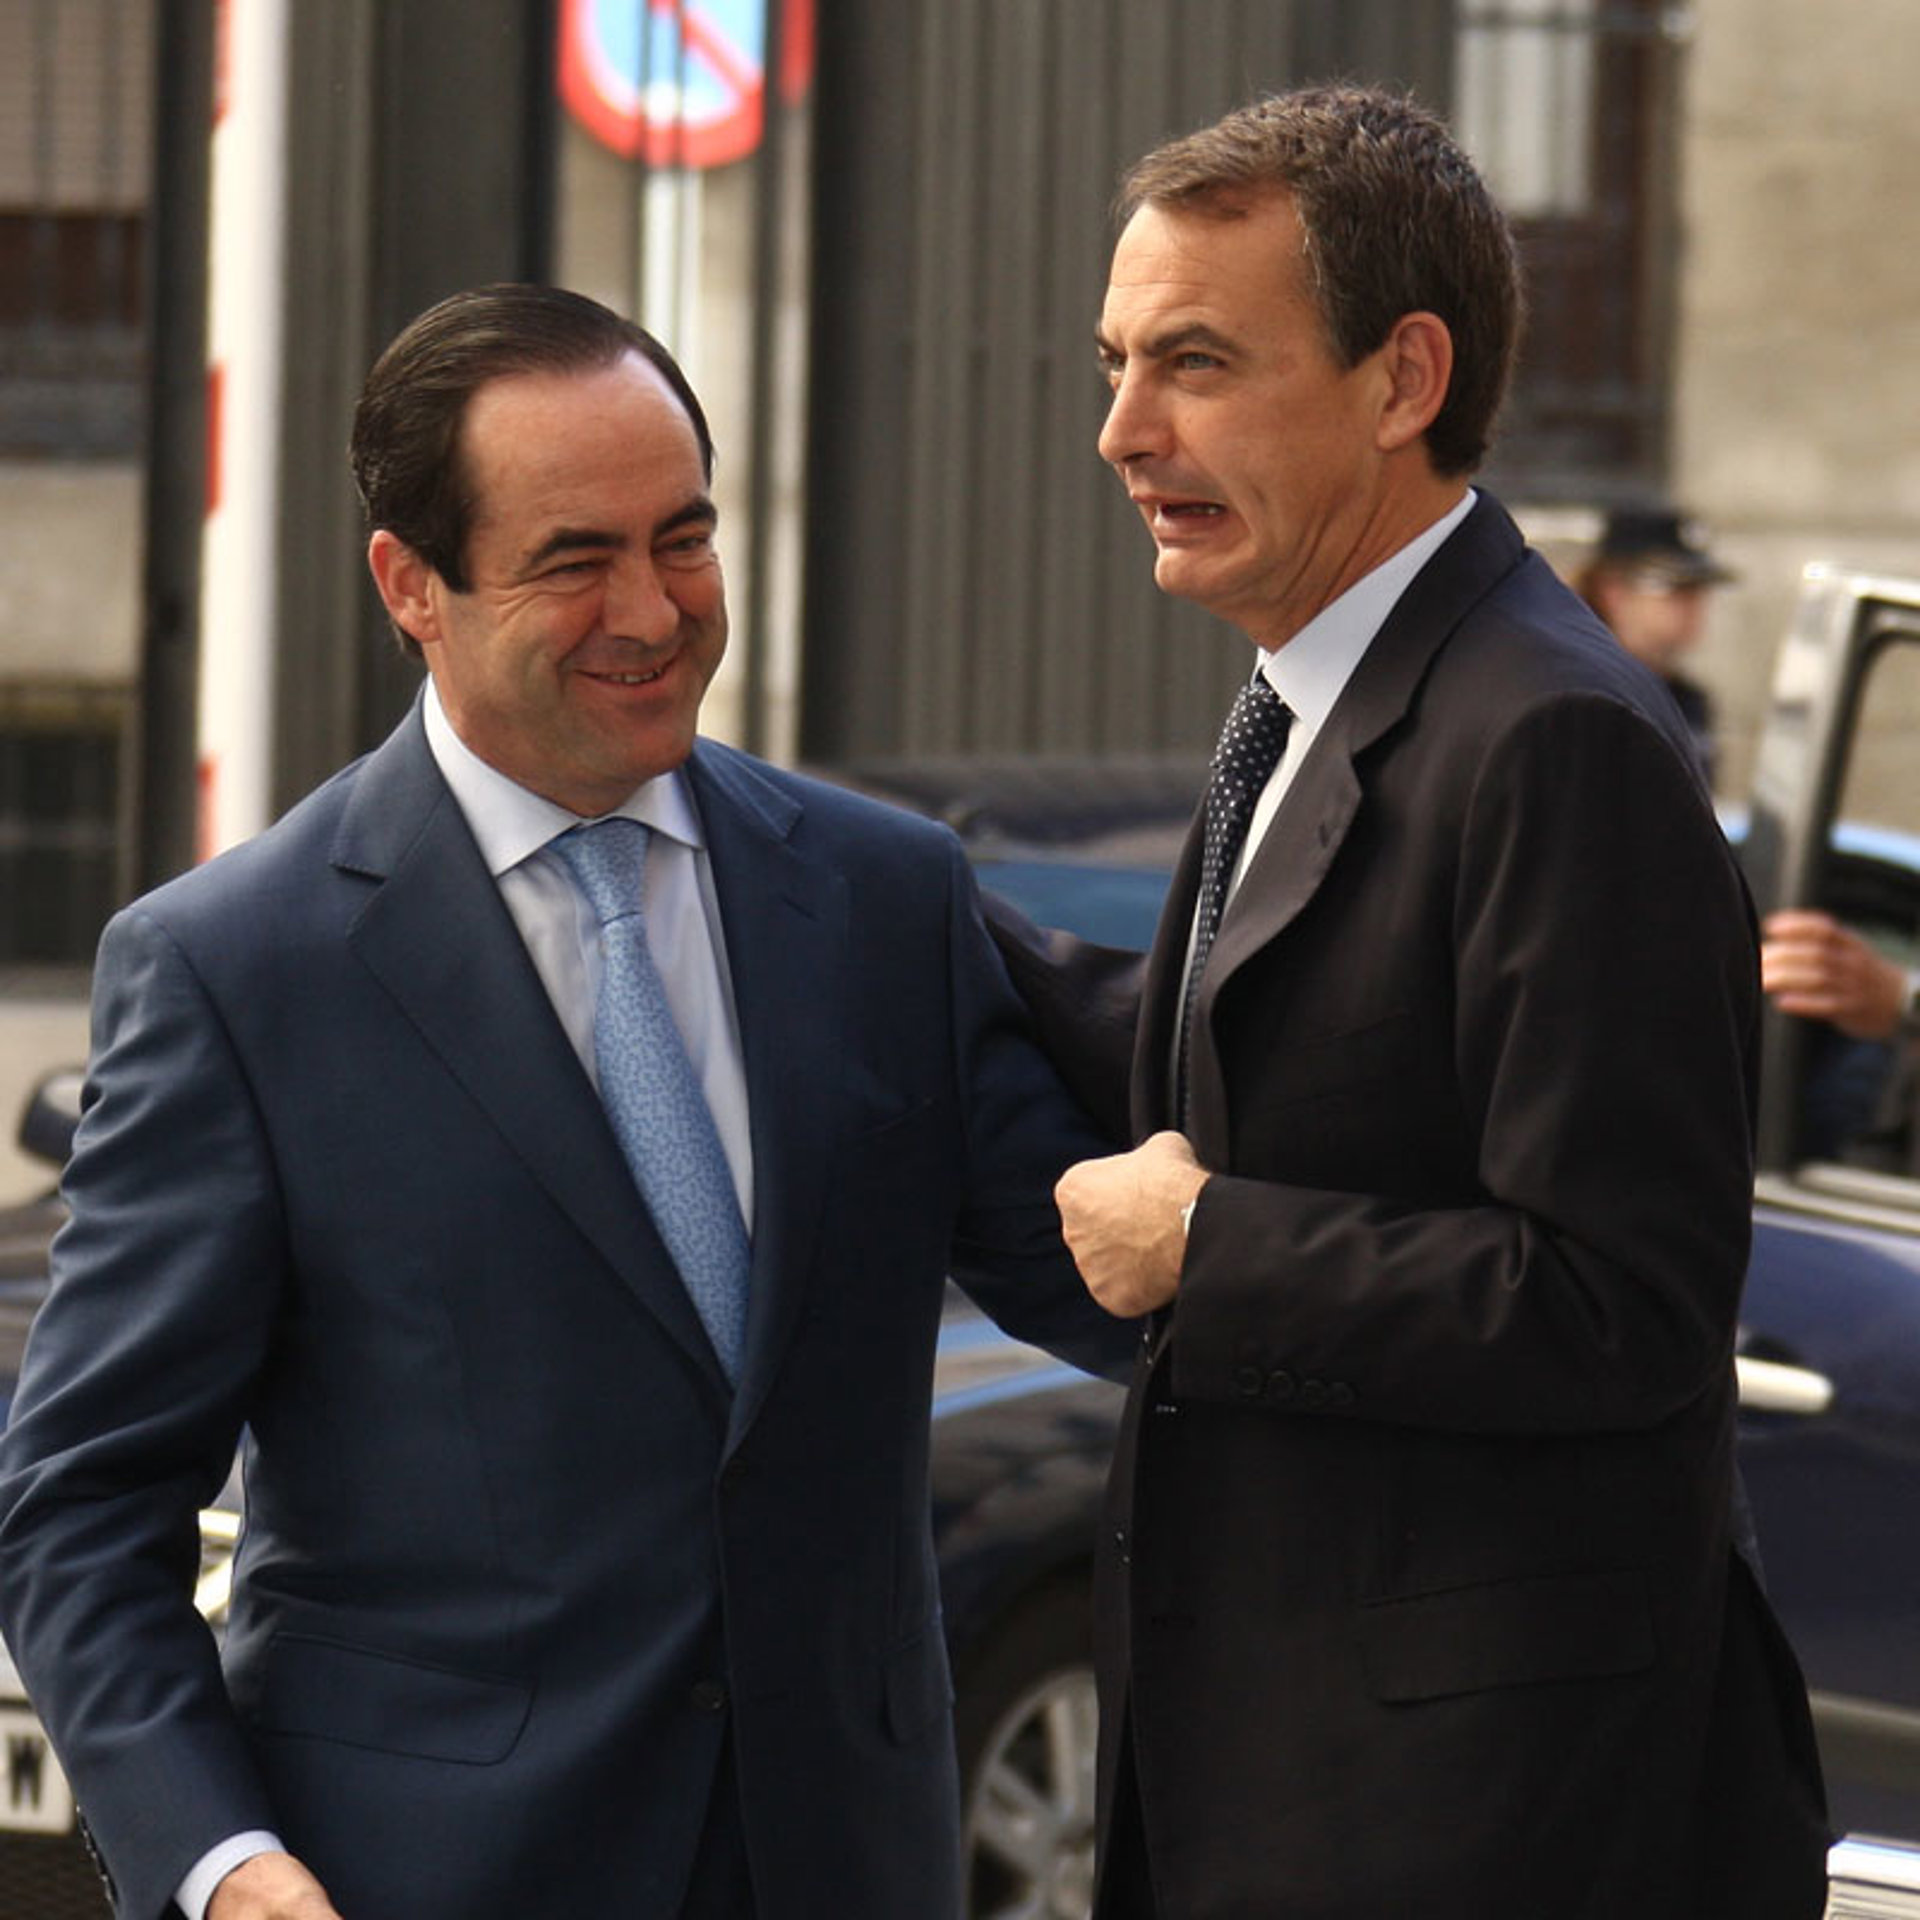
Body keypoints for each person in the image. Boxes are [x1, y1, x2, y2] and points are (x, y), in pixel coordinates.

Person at [0, 285, 1132, 1920]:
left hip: (842, 1866)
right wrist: (227, 1869)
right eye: (575, 558)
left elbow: (1112, 1278)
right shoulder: (238, 972)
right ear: (412, 585)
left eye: (685, 538)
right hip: (422, 1881)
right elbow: (81, 1510)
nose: (653, 610)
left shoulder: (884, 897)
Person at [994, 85, 1829, 1919]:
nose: (1125, 431)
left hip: (1480, 1831)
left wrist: (1210, 1246)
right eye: (1119, 365)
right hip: (1300, 1783)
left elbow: (1624, 1303)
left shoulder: (1553, 739)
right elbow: (1289, 1058)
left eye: (1197, 364)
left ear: (1403, 379)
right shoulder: (1317, 690)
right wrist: (897, 911)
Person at [1575, 501, 1736, 782]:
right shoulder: (1582, 697)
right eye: (1674, 588)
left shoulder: (1685, 699)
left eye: (1699, 589)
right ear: (1613, 592)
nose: (1694, 604)